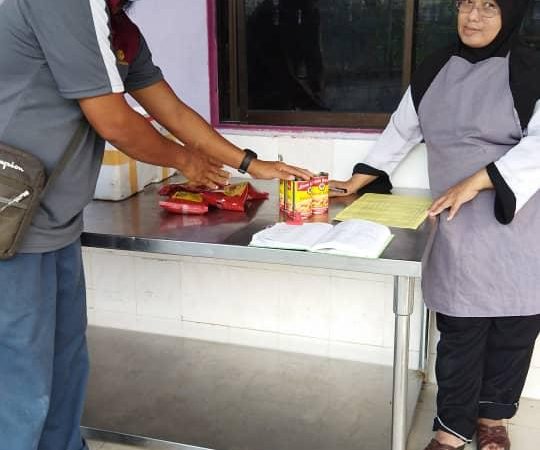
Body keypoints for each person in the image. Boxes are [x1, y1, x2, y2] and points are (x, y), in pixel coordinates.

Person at [0, 1, 311, 449]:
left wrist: (250, 163)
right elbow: (113, 121)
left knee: (65, 365)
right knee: (20, 383)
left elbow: (172, 112)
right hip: (10, 223)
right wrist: (186, 161)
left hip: (54, 223)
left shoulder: (118, 30)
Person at [330, 1, 540, 449]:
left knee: (516, 325)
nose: (473, 16)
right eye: (466, 3)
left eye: (489, 6)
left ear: (511, 12)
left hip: (522, 219)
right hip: (457, 219)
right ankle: (451, 430)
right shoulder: (434, 68)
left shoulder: (531, 69)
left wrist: (478, 180)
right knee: (461, 327)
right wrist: (358, 179)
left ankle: (493, 420)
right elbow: (401, 130)